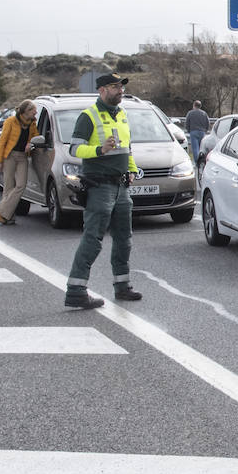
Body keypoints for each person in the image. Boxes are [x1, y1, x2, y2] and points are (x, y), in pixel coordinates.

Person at [64, 74, 142, 309]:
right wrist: (99, 149)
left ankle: (122, 286)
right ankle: (76, 290)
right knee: (93, 238)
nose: (120, 90)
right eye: (115, 87)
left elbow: (126, 148)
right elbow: (75, 149)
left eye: (121, 86)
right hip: (99, 186)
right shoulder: (89, 116)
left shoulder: (122, 114)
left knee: (124, 239)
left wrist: (131, 170)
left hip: (121, 186)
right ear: (101, 91)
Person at [0, 99, 37, 226]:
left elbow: (36, 137)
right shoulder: (11, 122)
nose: (35, 113)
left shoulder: (32, 123)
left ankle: (1, 211)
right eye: (33, 111)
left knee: (21, 185)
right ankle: (8, 216)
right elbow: (2, 141)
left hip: (23, 157)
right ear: (26, 111)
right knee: (8, 186)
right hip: (10, 156)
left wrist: (31, 143)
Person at [185, 100, 209, 166]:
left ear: (194, 105)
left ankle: (197, 162)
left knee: (195, 148)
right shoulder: (204, 113)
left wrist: (188, 130)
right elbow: (208, 122)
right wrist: (206, 130)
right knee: (202, 148)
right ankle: (202, 161)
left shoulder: (190, 113)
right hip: (202, 132)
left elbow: (187, 122)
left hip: (193, 132)